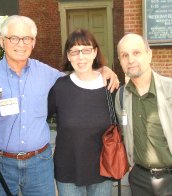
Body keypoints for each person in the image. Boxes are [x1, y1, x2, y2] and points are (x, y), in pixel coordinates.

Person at [0, 15, 119, 196]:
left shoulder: (48, 75)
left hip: (39, 164)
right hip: (0, 162)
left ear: (33, 42)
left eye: (27, 38)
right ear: (2, 41)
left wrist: (102, 70)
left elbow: (79, 74)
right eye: (14, 38)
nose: (21, 44)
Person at [48, 28, 114, 196]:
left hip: (103, 169)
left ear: (95, 52)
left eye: (86, 50)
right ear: (69, 56)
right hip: (68, 169)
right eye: (75, 52)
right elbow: (40, 118)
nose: (81, 56)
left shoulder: (110, 87)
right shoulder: (59, 87)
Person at [115, 33, 172, 196]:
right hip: (139, 180)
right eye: (125, 55)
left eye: (136, 53)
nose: (130, 59)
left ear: (149, 55)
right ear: (120, 61)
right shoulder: (120, 97)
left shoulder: (169, 90)